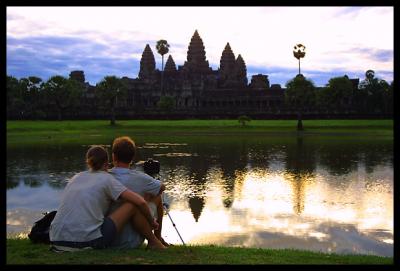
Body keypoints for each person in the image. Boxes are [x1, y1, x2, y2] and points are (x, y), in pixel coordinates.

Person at [49, 145, 166, 251]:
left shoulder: (76, 177)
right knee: (131, 204)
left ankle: (155, 241)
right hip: (85, 242)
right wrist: (152, 222)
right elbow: (140, 202)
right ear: (107, 162)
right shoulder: (106, 178)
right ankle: (154, 241)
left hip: (55, 239)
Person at [108, 136, 170, 249]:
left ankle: (157, 239)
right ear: (132, 158)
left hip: (108, 235)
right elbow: (162, 188)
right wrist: (147, 195)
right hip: (132, 241)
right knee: (157, 197)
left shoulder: (104, 176)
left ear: (114, 156)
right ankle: (157, 238)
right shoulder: (141, 178)